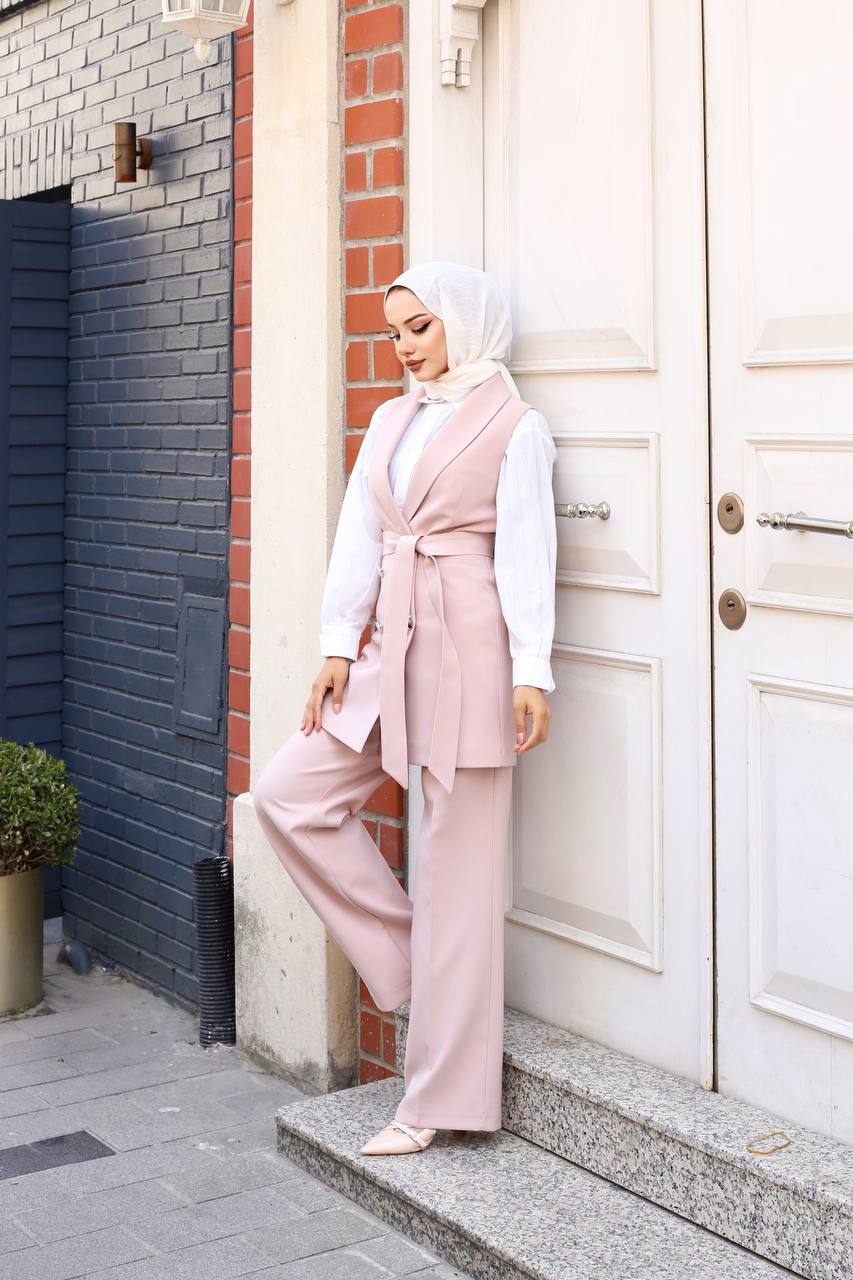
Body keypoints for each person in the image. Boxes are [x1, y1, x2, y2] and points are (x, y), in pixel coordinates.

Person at [253, 260, 557, 1157]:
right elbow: (359, 530)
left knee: (459, 870)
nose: (405, 348)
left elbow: (528, 552)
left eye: (419, 327)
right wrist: (338, 646)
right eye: (394, 332)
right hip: (388, 644)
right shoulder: (391, 418)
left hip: (471, 651)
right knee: (289, 793)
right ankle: (419, 960)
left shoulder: (516, 426)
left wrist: (530, 669)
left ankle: (437, 1102)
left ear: (462, 322)